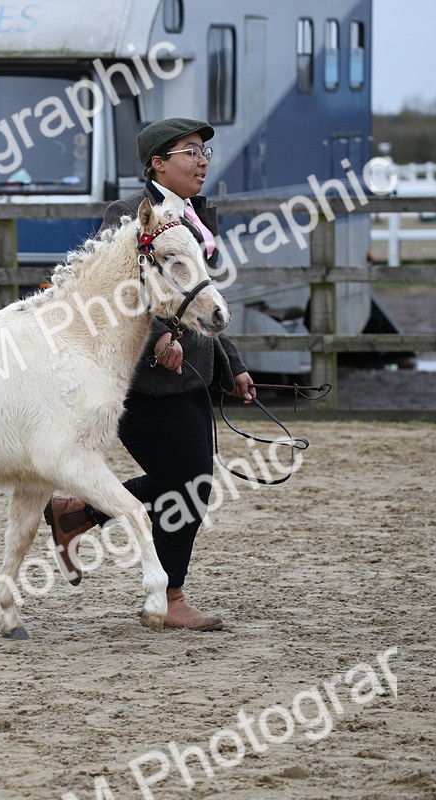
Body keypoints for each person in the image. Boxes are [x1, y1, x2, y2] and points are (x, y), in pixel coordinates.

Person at [43, 118, 256, 631]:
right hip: (140, 379)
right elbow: (111, 291)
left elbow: (198, 296)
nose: (202, 161)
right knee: (189, 482)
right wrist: (159, 336)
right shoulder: (127, 215)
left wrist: (233, 365)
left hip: (193, 374)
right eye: (190, 151)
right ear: (158, 163)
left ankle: (78, 514)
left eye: (204, 151)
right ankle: (170, 596)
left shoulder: (200, 216)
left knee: (186, 480)